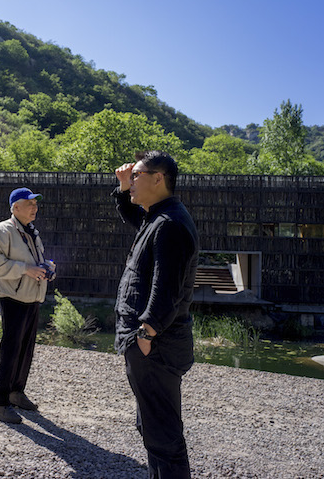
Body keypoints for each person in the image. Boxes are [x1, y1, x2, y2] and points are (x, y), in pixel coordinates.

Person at [113, 151, 199, 479]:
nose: (131, 181)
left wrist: (146, 334)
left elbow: (168, 290)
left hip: (157, 346)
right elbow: (130, 214)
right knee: (152, 429)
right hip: (150, 345)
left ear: (158, 178)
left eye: (136, 175)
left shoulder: (171, 225)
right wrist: (123, 189)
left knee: (163, 436)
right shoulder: (157, 218)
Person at [0, 187, 55, 424]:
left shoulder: (31, 231)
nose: (35, 207)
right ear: (15, 207)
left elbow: (34, 261)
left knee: (26, 350)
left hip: (32, 297)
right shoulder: (4, 230)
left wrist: (46, 267)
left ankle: (16, 392)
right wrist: (26, 269)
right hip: (13, 298)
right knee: (10, 350)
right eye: (30, 204)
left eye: (36, 204)